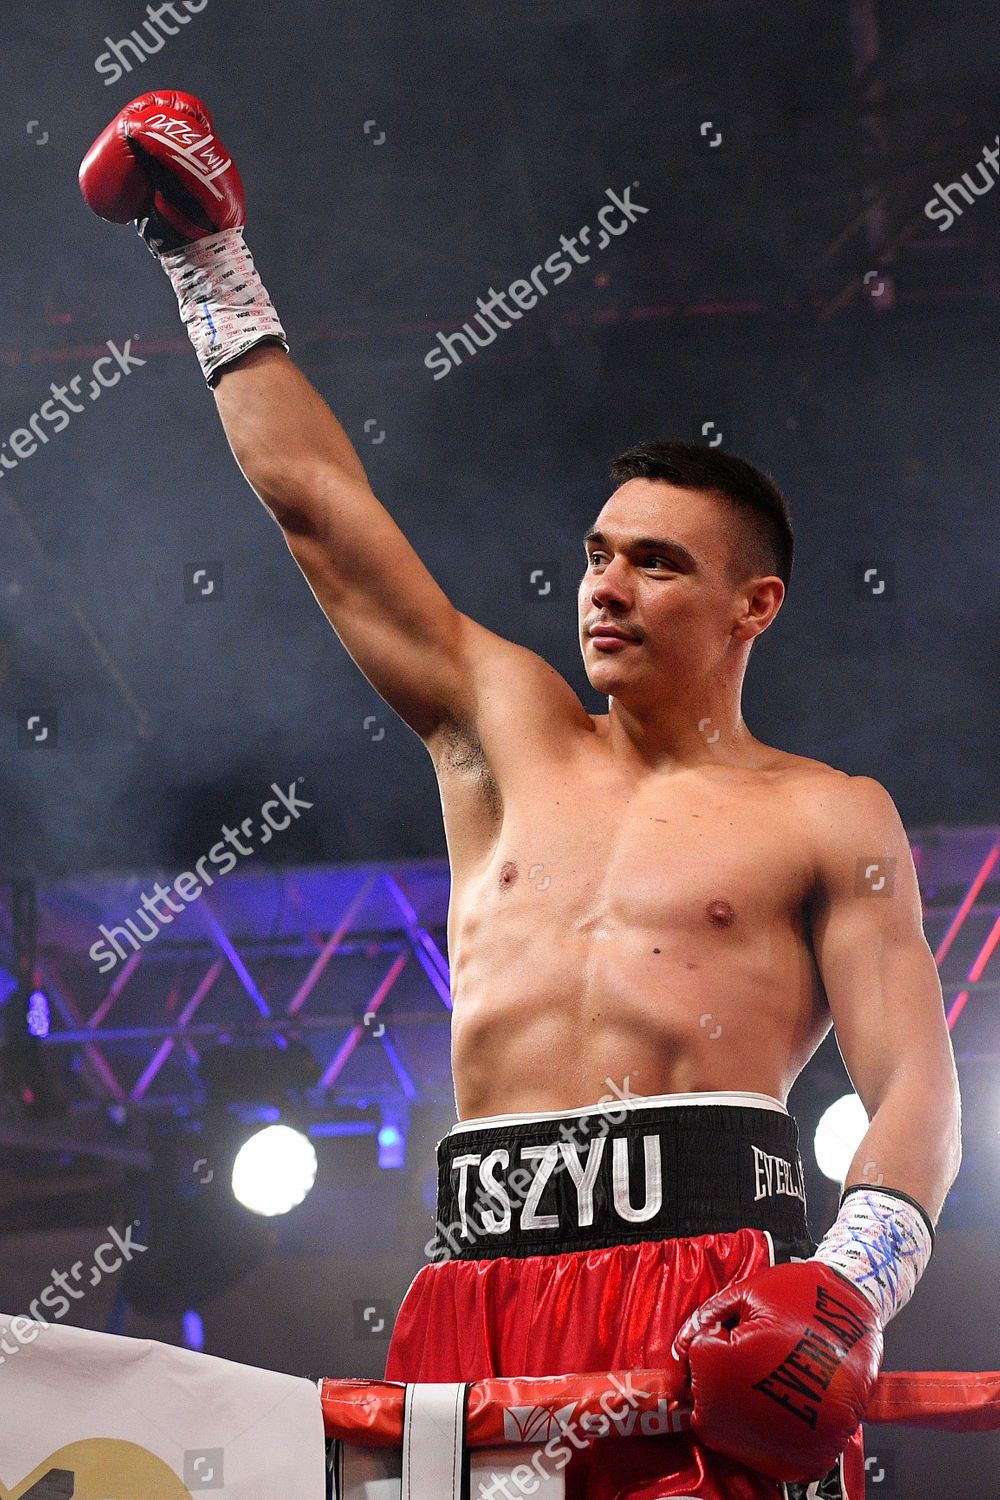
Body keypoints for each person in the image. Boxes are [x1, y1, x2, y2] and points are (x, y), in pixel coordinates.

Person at [80, 93, 962, 1500]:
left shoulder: (827, 813)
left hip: (713, 1301)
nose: (607, 586)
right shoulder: (501, 730)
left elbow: (914, 1081)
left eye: (657, 563)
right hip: (475, 1296)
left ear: (757, 604)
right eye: (600, 555)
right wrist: (208, 261)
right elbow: (320, 508)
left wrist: (849, 1291)